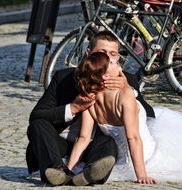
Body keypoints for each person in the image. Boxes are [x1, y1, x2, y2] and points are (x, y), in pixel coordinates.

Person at [67, 51, 182, 184]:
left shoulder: (90, 98)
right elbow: (133, 138)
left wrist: (70, 168)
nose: (118, 64)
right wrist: (141, 175)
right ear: (105, 76)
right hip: (146, 156)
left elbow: (84, 138)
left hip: (123, 158)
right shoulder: (125, 95)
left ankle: (75, 174)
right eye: (113, 63)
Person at [26, 31, 155, 186]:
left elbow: (148, 114)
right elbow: (37, 115)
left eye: (112, 54)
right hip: (61, 145)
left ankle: (90, 173)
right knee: (38, 125)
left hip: (94, 147)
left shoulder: (126, 79)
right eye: (102, 52)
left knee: (108, 143)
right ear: (89, 53)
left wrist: (128, 89)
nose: (107, 58)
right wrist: (73, 108)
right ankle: (58, 171)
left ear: (118, 58)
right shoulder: (63, 77)